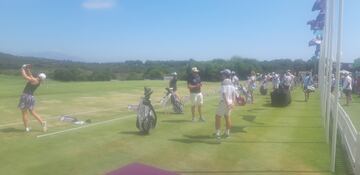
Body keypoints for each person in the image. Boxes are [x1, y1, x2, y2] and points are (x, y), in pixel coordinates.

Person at [18, 64, 47, 132]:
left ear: (39, 76)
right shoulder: (37, 80)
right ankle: (42, 123)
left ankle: (27, 128)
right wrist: (27, 69)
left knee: (24, 113)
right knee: (32, 112)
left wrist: (22, 68)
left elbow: (25, 76)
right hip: (31, 97)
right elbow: (30, 75)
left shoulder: (34, 80)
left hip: (26, 96)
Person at [215, 69, 237, 140]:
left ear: (225, 75)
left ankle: (218, 133)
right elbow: (234, 94)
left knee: (218, 116)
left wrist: (227, 103)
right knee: (227, 117)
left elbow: (224, 93)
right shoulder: (231, 82)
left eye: (223, 74)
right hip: (230, 103)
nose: (222, 76)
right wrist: (233, 102)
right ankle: (227, 132)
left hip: (224, 102)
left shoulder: (224, 82)